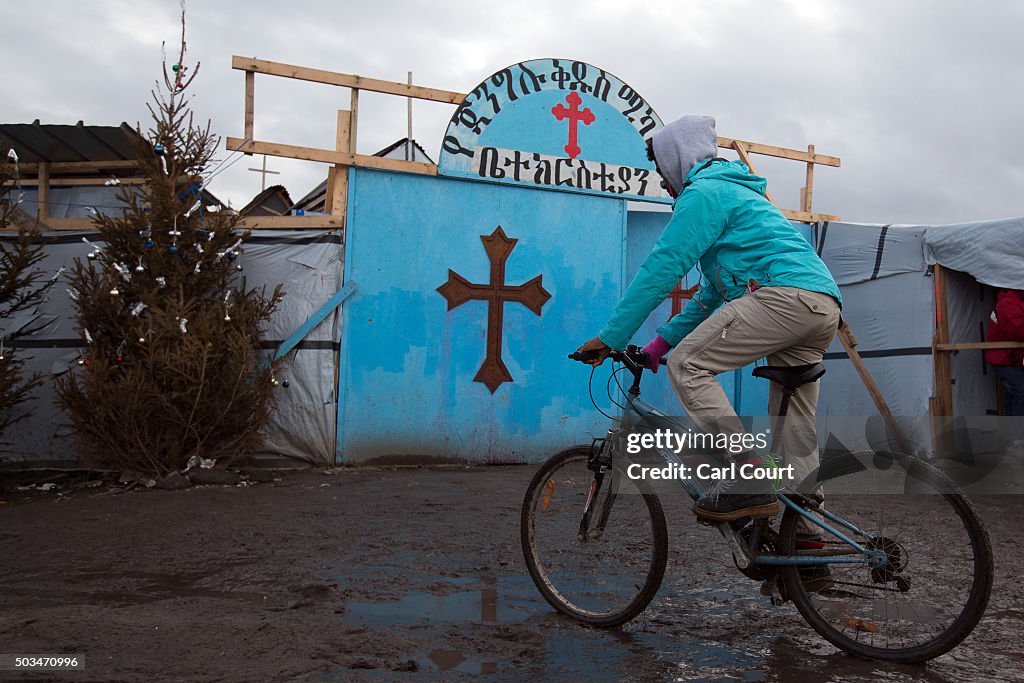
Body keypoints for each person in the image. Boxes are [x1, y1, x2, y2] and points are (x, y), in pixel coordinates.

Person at [576, 115, 842, 523]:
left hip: (785, 295)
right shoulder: (740, 195)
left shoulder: (704, 194)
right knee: (794, 432)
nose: (665, 184)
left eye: (663, 173)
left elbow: (661, 269)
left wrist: (611, 337)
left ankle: (746, 472)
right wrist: (656, 347)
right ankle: (809, 539)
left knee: (689, 365)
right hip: (822, 305)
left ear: (677, 162)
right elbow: (710, 295)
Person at [985, 288, 1024, 417]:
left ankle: (1012, 434)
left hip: (1008, 358)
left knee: (1013, 395)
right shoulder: (1008, 303)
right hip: (1003, 358)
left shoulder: (1014, 302)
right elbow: (1017, 331)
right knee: (1020, 393)